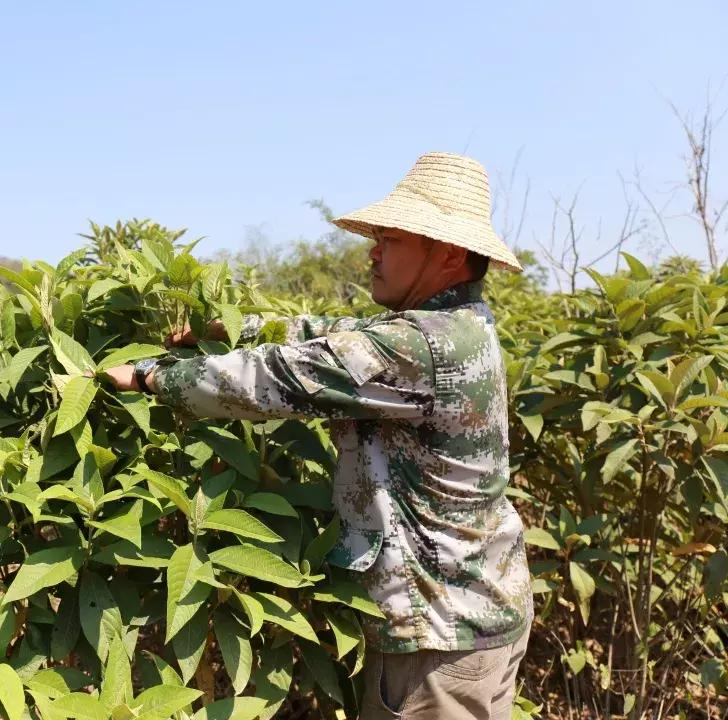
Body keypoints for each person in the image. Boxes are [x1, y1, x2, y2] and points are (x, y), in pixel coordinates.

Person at [104, 152, 533, 719]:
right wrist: (226, 327)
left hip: (439, 636)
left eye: (391, 239)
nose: (373, 250)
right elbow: (328, 335)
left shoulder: (422, 346)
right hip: (481, 611)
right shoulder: (455, 326)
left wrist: (151, 376)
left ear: (449, 253)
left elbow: (278, 378)